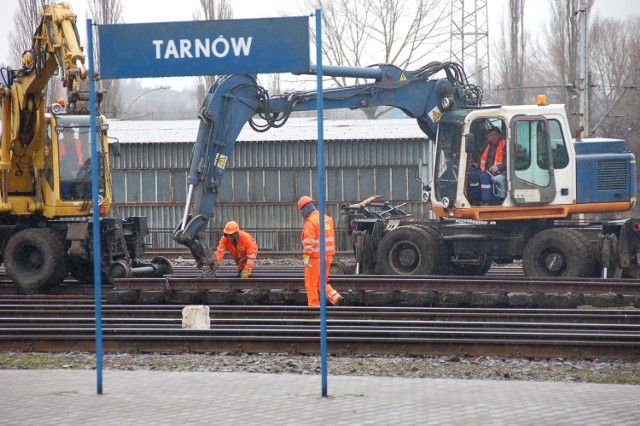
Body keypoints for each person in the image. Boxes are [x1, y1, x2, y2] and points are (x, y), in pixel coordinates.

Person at [298, 195, 343, 307]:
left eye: (301, 211)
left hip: (315, 258)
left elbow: (309, 241)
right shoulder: (327, 219)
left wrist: (306, 256)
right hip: (327, 256)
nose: (301, 214)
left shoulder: (311, 222)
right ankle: (335, 297)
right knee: (321, 282)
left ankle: (314, 307)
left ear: (305, 209)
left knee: (311, 283)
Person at [468, 126, 507, 205]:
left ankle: (487, 200)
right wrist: (477, 165)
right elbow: (485, 160)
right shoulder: (489, 145)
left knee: (484, 177)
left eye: (489, 134)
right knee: (473, 175)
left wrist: (498, 167)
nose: (487, 136)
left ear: (495, 136)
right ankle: (475, 198)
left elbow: (509, 160)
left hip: (499, 171)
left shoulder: (505, 144)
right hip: (487, 170)